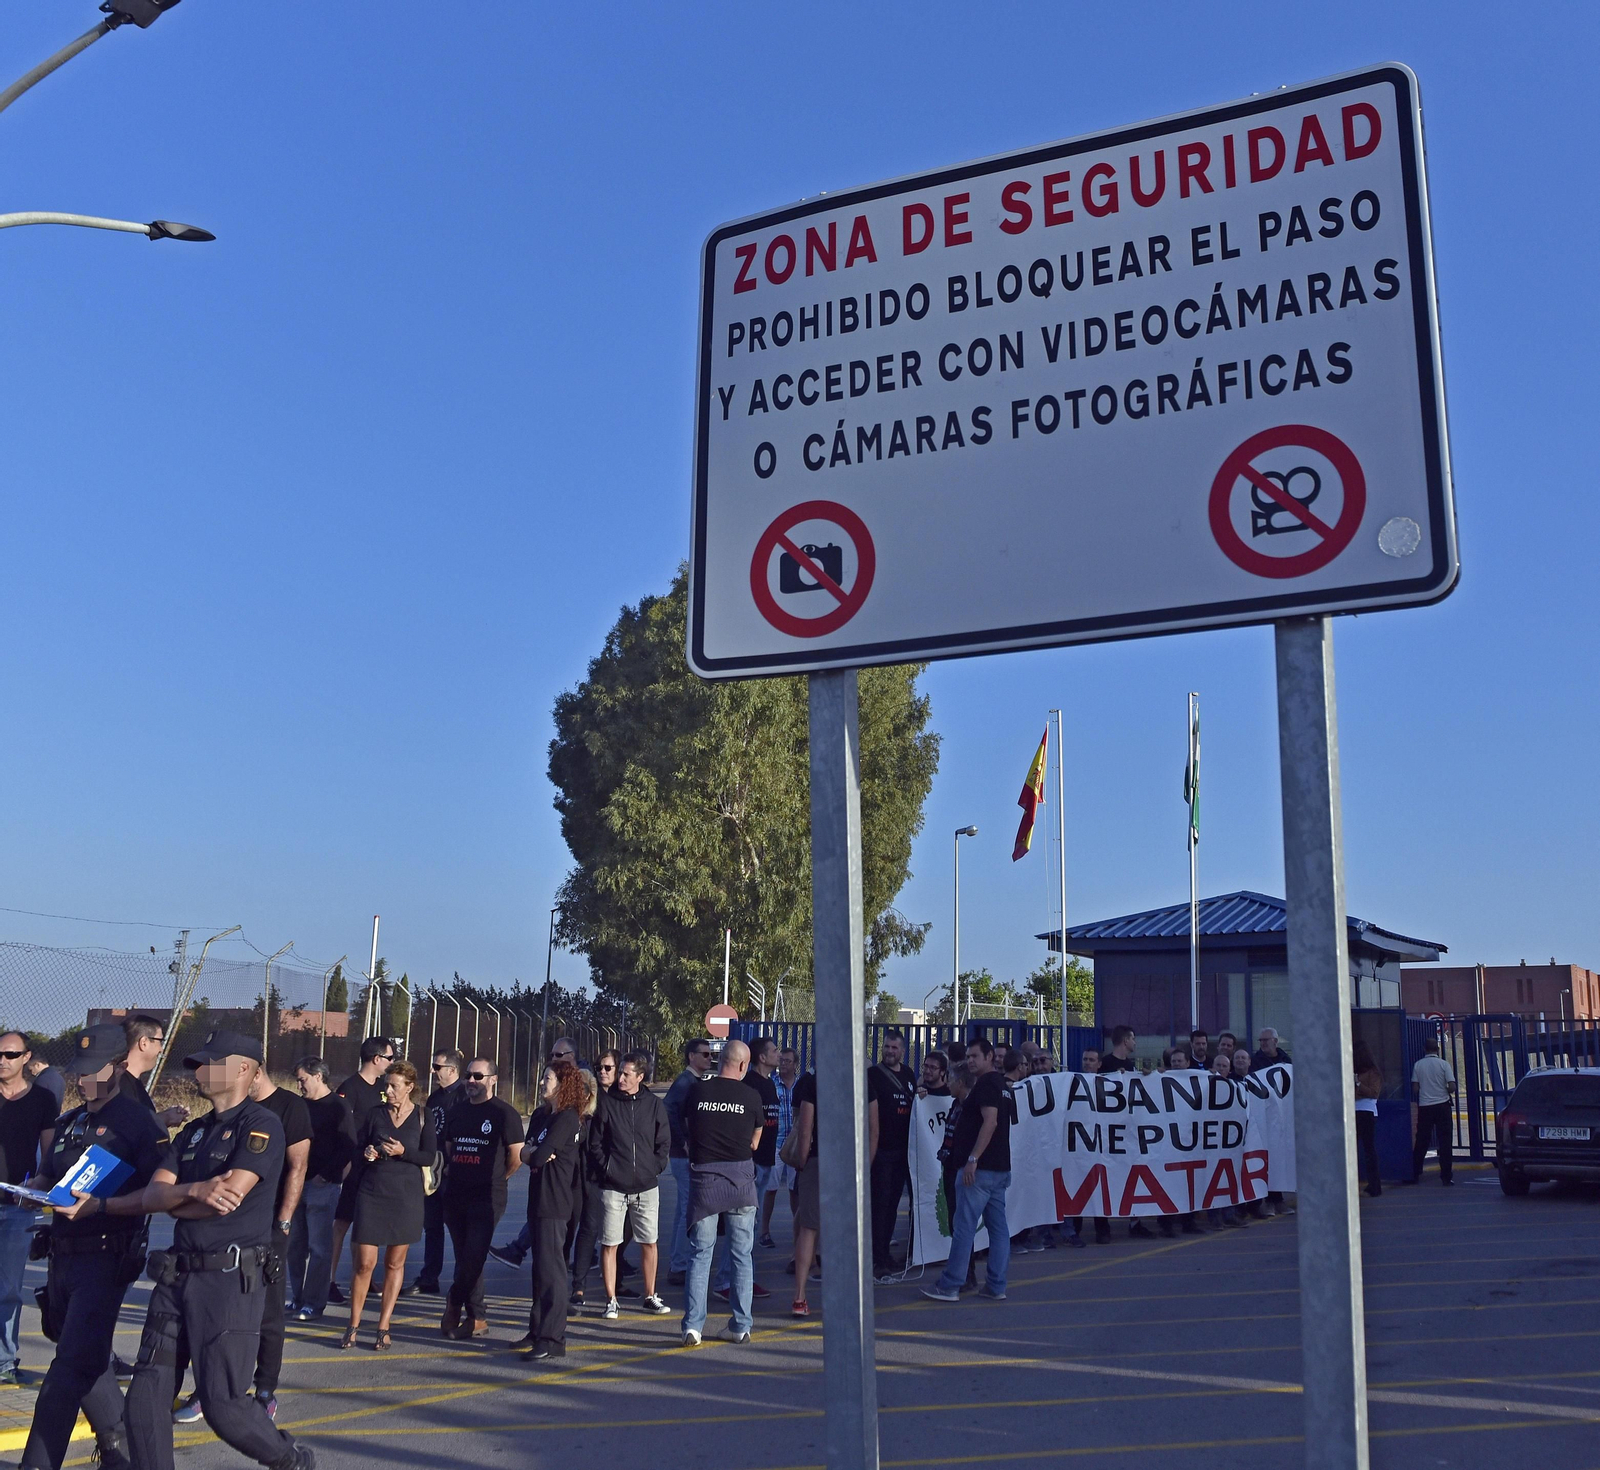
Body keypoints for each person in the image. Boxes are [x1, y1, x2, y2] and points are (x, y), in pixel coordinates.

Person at [122, 1030, 312, 1470]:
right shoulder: (192, 1132)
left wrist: (180, 1201)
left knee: (223, 1405)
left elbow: (228, 1197)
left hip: (227, 1283)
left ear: (244, 1069)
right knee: (146, 1396)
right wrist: (195, 1191)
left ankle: (290, 1459)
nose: (199, 1071)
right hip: (176, 1278)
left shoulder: (262, 1124)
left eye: (210, 1062)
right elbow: (155, 1197)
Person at [20, 1025, 163, 1470]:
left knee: (65, 1371)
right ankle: (119, 1447)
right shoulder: (72, 1120)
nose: (81, 1081)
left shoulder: (139, 1123)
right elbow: (48, 1175)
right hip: (61, 1256)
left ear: (118, 1066)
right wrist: (29, 1190)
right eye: (77, 1072)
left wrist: (103, 1205)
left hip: (106, 1255)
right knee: (88, 1355)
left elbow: (161, 1193)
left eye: (91, 1071)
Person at [345, 1060, 434, 1351]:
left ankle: (383, 1325)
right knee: (364, 1264)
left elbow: (428, 1157)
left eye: (395, 1086)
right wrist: (368, 1151)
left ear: (410, 1087)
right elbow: (358, 1148)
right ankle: (353, 1325)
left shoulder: (423, 1116)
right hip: (372, 1193)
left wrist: (403, 1151)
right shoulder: (375, 1115)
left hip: (406, 1197)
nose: (389, 1091)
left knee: (395, 1263)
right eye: (387, 1085)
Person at [681, 1040, 763, 1347]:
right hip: (741, 1182)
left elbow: (687, 1129)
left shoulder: (698, 1091)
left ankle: (692, 1326)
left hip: (706, 1182)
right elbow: (755, 1142)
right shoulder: (751, 1096)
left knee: (700, 1255)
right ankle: (741, 1325)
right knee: (742, 1255)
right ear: (743, 1065)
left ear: (720, 1061)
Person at [242, 1065, 311, 1417]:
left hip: (271, 1225)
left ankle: (265, 1388)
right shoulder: (236, 1106)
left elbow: (297, 1166)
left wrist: (284, 1219)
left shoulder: (289, 1107)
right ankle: (223, 1386)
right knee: (231, 1309)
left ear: (255, 1072)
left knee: (269, 1312)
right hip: (236, 1225)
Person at [439, 1058, 523, 1339]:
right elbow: (450, 1148)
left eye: (478, 1076)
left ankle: (453, 1302)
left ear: (493, 1080)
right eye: (468, 1076)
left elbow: (516, 1156)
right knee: (464, 1256)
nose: (471, 1081)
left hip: (488, 1197)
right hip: (456, 1194)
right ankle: (478, 1318)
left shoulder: (504, 1114)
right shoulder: (457, 1111)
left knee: (474, 1255)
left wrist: (500, 1179)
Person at [923, 1036, 1011, 1303]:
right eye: (969, 1056)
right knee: (998, 1230)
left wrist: (972, 1159)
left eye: (975, 1056)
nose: (970, 1061)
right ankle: (996, 1285)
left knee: (963, 1227)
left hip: (980, 1170)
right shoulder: (1003, 1087)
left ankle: (951, 1284)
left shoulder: (986, 1084)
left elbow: (991, 1122)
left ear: (989, 1058)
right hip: (998, 1169)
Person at [588, 1050, 670, 1319]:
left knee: (649, 1242)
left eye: (626, 1073)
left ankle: (650, 1295)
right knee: (610, 1242)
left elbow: (663, 1142)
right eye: (619, 1072)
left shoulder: (654, 1105)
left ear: (640, 1076)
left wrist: (654, 1168)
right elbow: (596, 1143)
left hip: (646, 1186)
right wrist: (609, 1169)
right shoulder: (607, 1103)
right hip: (614, 1187)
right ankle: (611, 1300)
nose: (619, 1077)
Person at [0, 1032, 58, 1386]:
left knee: (8, 1288)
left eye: (10, 1053)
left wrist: (39, 1185)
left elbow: (49, 1156)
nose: (2, 1059)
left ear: (27, 1057)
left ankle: (4, 1362)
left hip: (16, 1209)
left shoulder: (42, 1100)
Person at [521, 1062, 585, 1361]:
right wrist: (536, 1152)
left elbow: (538, 1156)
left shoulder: (568, 1118)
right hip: (537, 1199)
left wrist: (537, 1152)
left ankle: (553, 1339)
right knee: (539, 1271)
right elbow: (528, 1152)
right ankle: (536, 1331)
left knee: (552, 1272)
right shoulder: (540, 1115)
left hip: (555, 1201)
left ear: (563, 1083)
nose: (542, 1082)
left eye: (547, 1078)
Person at [327, 1038, 395, 1303]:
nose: (392, 1063)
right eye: (390, 1058)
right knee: (342, 1223)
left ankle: (366, 1278)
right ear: (376, 1059)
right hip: (354, 1164)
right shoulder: (350, 1088)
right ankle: (329, 1280)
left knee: (368, 1225)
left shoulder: (383, 1088)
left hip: (377, 1165)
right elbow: (341, 1131)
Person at [289, 1059, 354, 1321]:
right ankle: (297, 1298)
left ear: (318, 1076)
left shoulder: (338, 1106)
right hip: (296, 1183)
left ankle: (314, 1303)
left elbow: (348, 1146)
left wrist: (326, 1176)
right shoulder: (299, 1106)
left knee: (319, 1247)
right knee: (294, 1246)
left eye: (302, 1079)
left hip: (322, 1187)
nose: (299, 1084)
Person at [405, 1050, 462, 1296]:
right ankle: (430, 1277)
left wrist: (454, 1164)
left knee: (459, 1228)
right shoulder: (435, 1098)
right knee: (433, 1226)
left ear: (452, 1069)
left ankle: (463, 1279)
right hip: (432, 1171)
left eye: (437, 1066)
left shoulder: (462, 1096)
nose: (433, 1071)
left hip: (454, 1172)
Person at [1091, 1029, 1151, 1242]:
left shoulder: (1131, 1066)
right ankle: (1102, 1226)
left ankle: (1135, 1222)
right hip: (1107, 1131)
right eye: (1133, 1038)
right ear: (1125, 1040)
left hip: (1127, 1130)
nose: (1135, 1042)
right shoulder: (1105, 1064)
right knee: (1104, 1176)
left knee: (1133, 1173)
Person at [663, 1038, 714, 1285]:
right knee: (687, 1209)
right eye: (705, 1054)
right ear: (691, 1056)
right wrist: (682, 1139)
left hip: (685, 1154)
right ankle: (680, 1265)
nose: (710, 1058)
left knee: (683, 1209)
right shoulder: (685, 1082)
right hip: (684, 1156)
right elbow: (669, 1109)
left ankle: (678, 1261)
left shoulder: (692, 1082)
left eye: (710, 1054)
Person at [867, 1030, 917, 1281]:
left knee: (893, 1206)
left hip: (902, 1153)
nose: (889, 1051)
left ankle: (885, 1255)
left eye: (894, 1048)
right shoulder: (872, 1075)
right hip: (881, 1152)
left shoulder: (909, 1075)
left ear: (903, 1051)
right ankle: (877, 1259)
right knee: (879, 1207)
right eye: (887, 1047)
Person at [788, 1064, 821, 1317]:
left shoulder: (812, 1082)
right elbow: (873, 1127)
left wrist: (802, 1161)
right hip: (847, 1162)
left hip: (816, 1160)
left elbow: (805, 1127)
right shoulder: (859, 1081)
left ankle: (800, 1297)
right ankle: (848, 1296)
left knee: (808, 1228)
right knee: (845, 1230)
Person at [758, 1048, 798, 1248]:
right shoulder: (772, 1084)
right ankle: (764, 1231)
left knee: (795, 1190)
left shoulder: (801, 1085)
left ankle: (798, 1233)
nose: (783, 1064)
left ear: (795, 1064)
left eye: (788, 1061)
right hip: (775, 1141)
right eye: (781, 1060)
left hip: (795, 1143)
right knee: (770, 1188)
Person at [120, 1018, 190, 1131]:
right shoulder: (117, 1085)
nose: (161, 1049)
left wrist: (165, 1116)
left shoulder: (132, 1083)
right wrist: (163, 1118)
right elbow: (121, 1128)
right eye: (159, 1041)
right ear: (144, 1043)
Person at [1408, 1038, 1456, 1187]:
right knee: (1445, 1141)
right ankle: (1446, 1177)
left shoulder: (1418, 1065)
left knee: (1422, 1140)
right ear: (1438, 1049)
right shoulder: (1444, 1064)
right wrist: (1444, 1090)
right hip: (1442, 1106)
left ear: (1424, 1049)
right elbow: (1452, 1086)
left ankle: (1415, 1173)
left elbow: (1415, 1088)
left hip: (1425, 1107)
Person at [1354, 1043, 1383, 1199]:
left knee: (1369, 1150)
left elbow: (1373, 1092)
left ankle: (1374, 1185)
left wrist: (1358, 1084)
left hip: (1366, 1111)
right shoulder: (1357, 1072)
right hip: (1355, 1111)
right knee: (1359, 1150)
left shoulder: (1372, 1073)